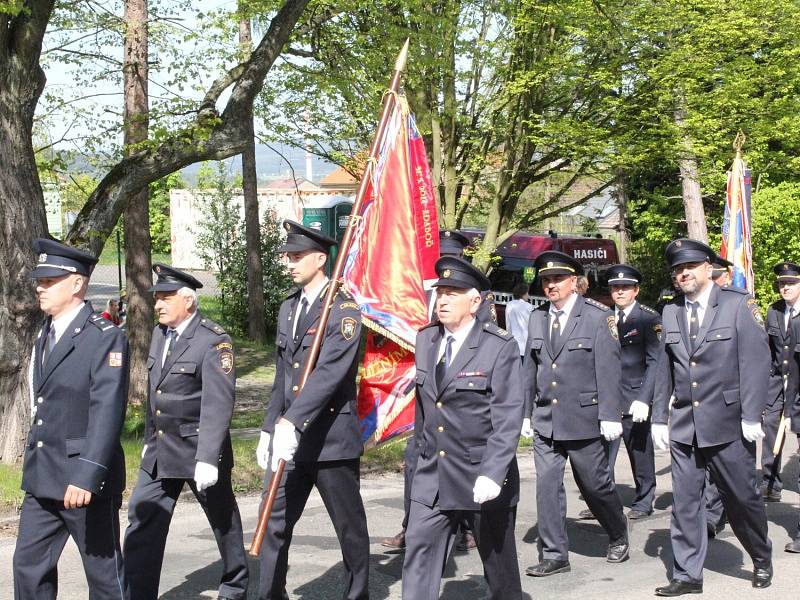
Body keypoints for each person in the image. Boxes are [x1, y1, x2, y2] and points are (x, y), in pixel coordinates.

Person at [651, 238, 773, 596]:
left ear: (709, 268)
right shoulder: (670, 311)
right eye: (677, 269)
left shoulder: (737, 305)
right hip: (686, 427)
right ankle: (688, 574)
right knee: (685, 504)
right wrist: (659, 416)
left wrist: (752, 415)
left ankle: (761, 556)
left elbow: (756, 363)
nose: (683, 273)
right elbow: (665, 368)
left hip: (729, 424)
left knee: (740, 498)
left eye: (689, 266)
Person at [255, 221, 369, 600]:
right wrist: (270, 426)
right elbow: (283, 375)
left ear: (321, 259)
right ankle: (271, 593)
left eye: (298, 256)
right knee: (273, 520)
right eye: (288, 255)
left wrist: (292, 420)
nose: (290, 262)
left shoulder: (344, 310)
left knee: (348, 529)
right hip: (291, 441)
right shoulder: (290, 307)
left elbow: (330, 374)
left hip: (330, 440)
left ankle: (357, 595)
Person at [402, 256, 524, 599]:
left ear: (474, 301)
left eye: (452, 292)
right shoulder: (426, 340)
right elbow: (427, 408)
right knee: (419, 554)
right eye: (440, 291)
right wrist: (417, 458)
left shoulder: (498, 345)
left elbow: (508, 414)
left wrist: (493, 470)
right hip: (433, 475)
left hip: (481, 474)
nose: (442, 299)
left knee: (500, 572)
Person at [123, 264, 248, 600]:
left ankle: (235, 586)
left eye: (166, 297)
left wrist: (209, 457)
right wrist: (149, 445)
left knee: (223, 521)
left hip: (198, 451)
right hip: (161, 450)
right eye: (157, 297)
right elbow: (156, 396)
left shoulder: (213, 340)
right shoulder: (161, 334)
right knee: (143, 520)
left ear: (188, 301)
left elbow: (218, 403)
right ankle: (136, 592)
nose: (159, 304)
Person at [13, 239, 128, 600]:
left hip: (83, 480)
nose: (39, 287)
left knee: (105, 577)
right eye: (39, 281)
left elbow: (106, 411)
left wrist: (86, 475)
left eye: (49, 281)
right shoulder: (45, 332)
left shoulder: (103, 337)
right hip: (44, 475)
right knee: (28, 569)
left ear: (77, 284)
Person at [523, 251, 629, 577]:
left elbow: (609, 369)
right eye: (545, 280)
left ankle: (616, 530)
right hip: (546, 419)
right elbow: (530, 367)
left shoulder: (598, 316)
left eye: (557, 279)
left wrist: (611, 415)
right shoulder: (536, 317)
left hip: (584, 419)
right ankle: (555, 554)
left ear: (574, 281)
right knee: (547, 486)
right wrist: (525, 413)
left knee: (595, 485)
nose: (551, 285)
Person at [382, 228, 479, 552]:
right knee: (416, 462)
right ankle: (413, 527)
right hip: (428, 395)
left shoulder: (476, 299)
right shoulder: (423, 295)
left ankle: (467, 527)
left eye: (453, 257)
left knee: (459, 464)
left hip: (462, 399)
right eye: (443, 257)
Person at [601, 265, 661, 519]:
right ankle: (604, 501)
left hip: (635, 398)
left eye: (625, 287)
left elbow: (655, 362)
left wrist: (645, 398)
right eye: (615, 287)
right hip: (607, 398)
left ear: (636, 290)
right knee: (603, 456)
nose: (620, 291)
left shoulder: (648, 318)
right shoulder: (602, 317)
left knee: (640, 453)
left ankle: (644, 499)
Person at [761, 261, 800, 504]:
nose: (785, 288)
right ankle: (770, 482)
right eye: (782, 284)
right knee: (770, 430)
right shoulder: (774, 311)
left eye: (791, 283)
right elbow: (767, 349)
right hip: (777, 381)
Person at [505, 282, 534, 361]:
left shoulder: (509, 304)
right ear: (523, 293)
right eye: (527, 293)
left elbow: (508, 324)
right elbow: (532, 325)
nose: (528, 295)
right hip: (525, 344)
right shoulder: (529, 306)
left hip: (512, 342)